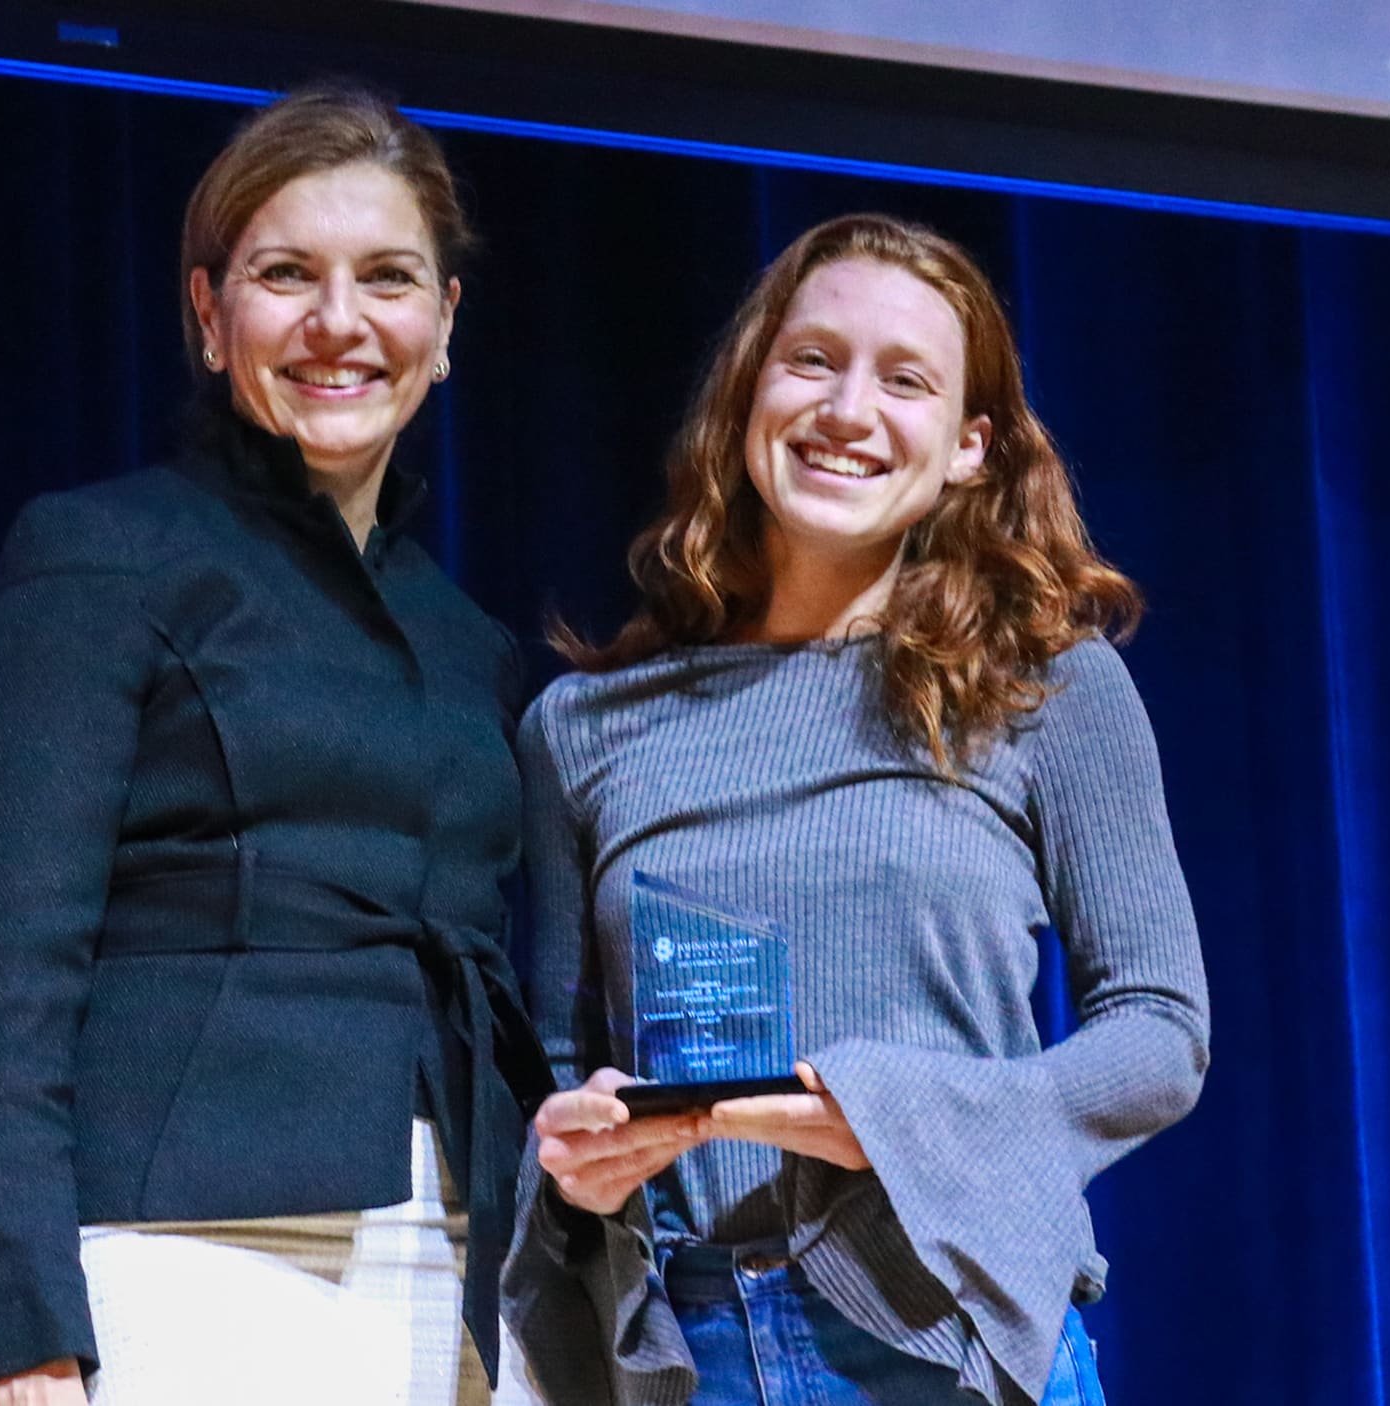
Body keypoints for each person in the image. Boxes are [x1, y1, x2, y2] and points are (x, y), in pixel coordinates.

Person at [503, 213, 1210, 1406]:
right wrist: (575, 1156)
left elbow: (1159, 1033)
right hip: (691, 1352)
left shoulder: (1047, 684)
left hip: (953, 1335)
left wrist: (887, 1116)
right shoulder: (584, 726)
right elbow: (567, 1068)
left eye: (905, 379)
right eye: (814, 359)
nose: (847, 409)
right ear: (747, 398)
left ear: (968, 448)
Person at [0, 86, 551, 1406]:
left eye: (387, 278)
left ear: (444, 326)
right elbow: (2, 984)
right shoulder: (104, 554)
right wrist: (28, 1338)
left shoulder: (465, 637)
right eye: (285, 275)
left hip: (461, 1259)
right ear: (209, 317)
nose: (339, 321)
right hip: (188, 1248)